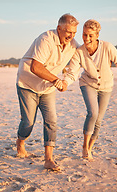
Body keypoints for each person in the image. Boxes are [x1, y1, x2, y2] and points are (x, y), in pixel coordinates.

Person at [63, 19, 117, 160]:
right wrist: (65, 83)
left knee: (99, 120)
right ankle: (84, 147)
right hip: (87, 83)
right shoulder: (79, 52)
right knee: (92, 113)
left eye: (90, 35)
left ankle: (90, 147)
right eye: (84, 34)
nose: (86, 38)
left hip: (106, 86)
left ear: (97, 35)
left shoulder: (107, 47)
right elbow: (73, 71)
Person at [15, 13, 79, 171]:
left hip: (47, 88)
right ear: (59, 28)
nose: (71, 36)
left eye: (74, 33)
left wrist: (67, 81)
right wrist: (57, 81)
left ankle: (48, 159)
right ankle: (20, 142)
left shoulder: (73, 45)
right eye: (68, 32)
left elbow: (76, 67)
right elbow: (35, 67)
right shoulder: (46, 39)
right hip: (27, 84)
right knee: (28, 122)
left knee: (51, 121)